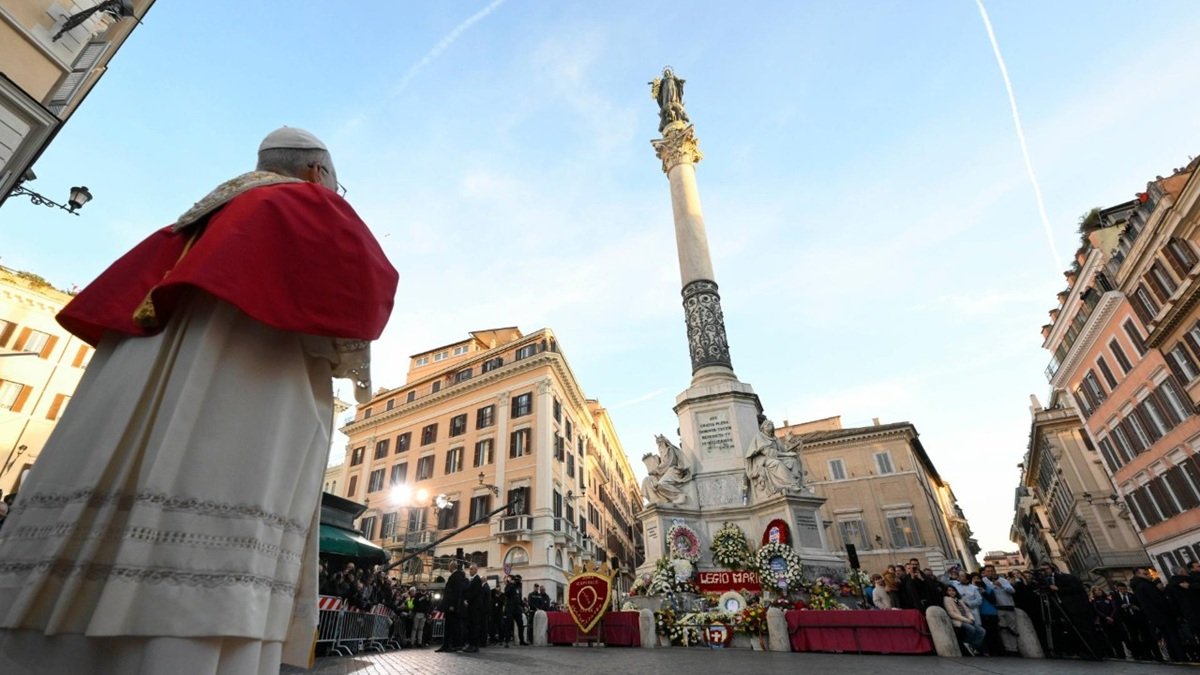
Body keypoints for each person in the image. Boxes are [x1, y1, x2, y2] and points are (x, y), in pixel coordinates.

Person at [0, 127, 396, 675]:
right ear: (314, 174)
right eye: (336, 184)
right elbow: (368, 289)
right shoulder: (303, 206)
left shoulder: (193, 223)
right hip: (245, 378)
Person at [1130, 567, 1186, 661]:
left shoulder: (1137, 586)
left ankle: (1174, 656)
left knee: (1167, 636)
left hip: (1155, 616)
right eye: (1145, 574)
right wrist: (1169, 610)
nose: (1148, 575)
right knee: (1172, 636)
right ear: (1138, 574)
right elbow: (1158, 600)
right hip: (1162, 614)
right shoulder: (1145, 585)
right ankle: (1180, 656)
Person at [743, 418, 804, 498]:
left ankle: (798, 483)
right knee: (777, 464)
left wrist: (793, 449)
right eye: (766, 425)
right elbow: (769, 453)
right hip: (763, 460)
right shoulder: (759, 437)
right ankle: (791, 484)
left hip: (776, 457)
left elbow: (784, 450)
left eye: (771, 424)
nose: (769, 426)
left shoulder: (775, 439)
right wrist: (787, 454)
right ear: (762, 428)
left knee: (793, 461)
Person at [944, 585, 986, 656]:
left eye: (953, 590)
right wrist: (966, 620)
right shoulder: (947, 599)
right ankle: (967, 643)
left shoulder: (959, 600)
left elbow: (967, 611)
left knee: (982, 631)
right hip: (959, 621)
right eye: (949, 590)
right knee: (971, 629)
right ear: (946, 592)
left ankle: (972, 646)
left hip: (968, 619)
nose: (952, 592)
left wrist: (971, 618)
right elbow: (952, 614)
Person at [437, 562, 468, 652]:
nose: (448, 567)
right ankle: (446, 645)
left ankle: (449, 645)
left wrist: (452, 605)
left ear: (451, 567)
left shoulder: (456, 576)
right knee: (448, 626)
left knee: (451, 626)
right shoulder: (456, 576)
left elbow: (455, 593)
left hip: (451, 607)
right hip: (450, 606)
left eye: (448, 566)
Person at [1091, 586, 1124, 659]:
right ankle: (1114, 653)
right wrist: (1106, 617)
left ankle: (1122, 654)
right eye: (1096, 591)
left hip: (1114, 620)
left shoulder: (1108, 598)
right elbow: (1097, 610)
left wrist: (1111, 616)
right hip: (1104, 621)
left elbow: (1114, 607)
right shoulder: (1094, 601)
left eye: (1099, 590)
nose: (1098, 591)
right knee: (1110, 638)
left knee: (1118, 637)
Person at [462, 563, 487, 653]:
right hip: (472, 607)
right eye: (469, 569)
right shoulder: (473, 580)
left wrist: (467, 600)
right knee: (471, 626)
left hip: (475, 607)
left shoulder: (476, 580)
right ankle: (472, 644)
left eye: (472, 569)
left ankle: (474, 645)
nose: (470, 570)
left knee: (474, 626)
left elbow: (475, 593)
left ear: (476, 570)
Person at [504, 575, 528, 646]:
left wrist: (523, 606)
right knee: (508, 625)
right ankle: (507, 641)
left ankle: (522, 640)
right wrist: (512, 584)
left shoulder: (519, 587)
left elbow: (519, 598)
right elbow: (506, 593)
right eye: (518, 580)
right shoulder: (509, 585)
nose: (519, 581)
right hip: (510, 608)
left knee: (520, 625)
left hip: (517, 608)